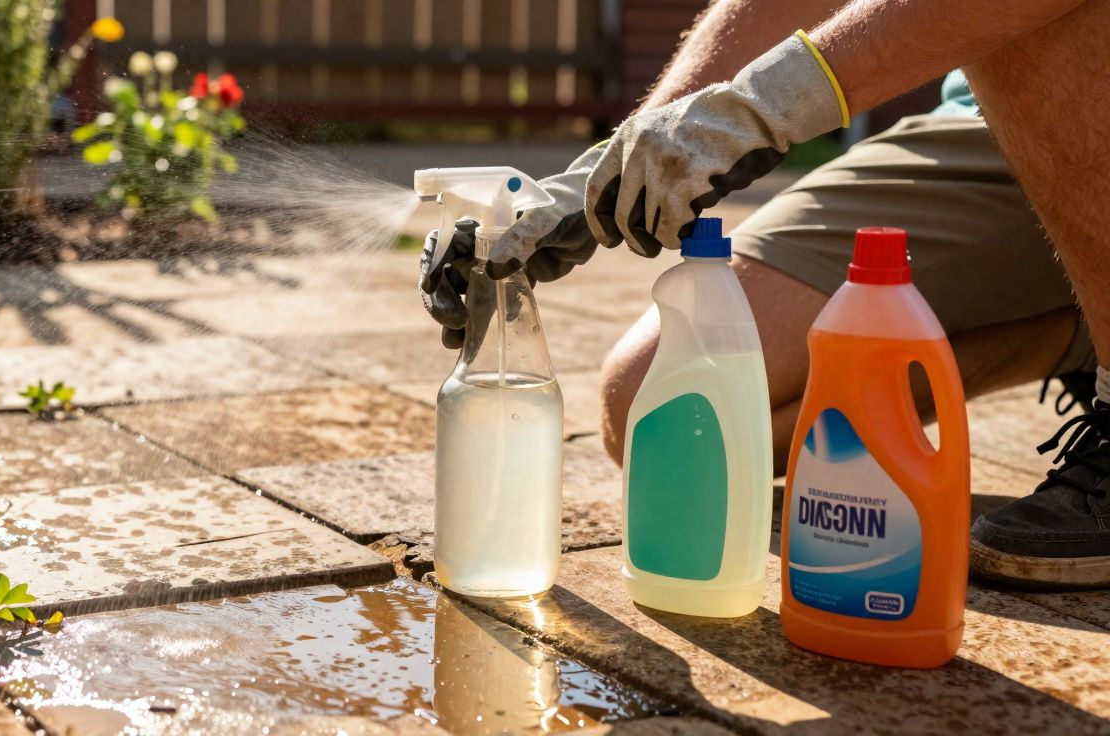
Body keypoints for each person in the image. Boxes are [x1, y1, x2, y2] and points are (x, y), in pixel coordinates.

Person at [420, 0, 1110, 591]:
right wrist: (607, 172)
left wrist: (769, 105)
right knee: (655, 411)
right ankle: (1075, 332)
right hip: (996, 116)